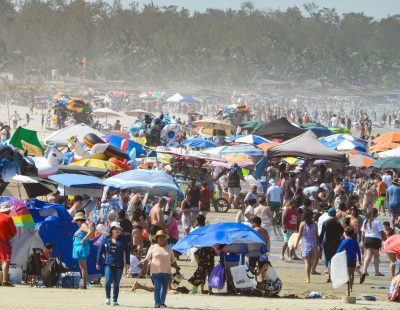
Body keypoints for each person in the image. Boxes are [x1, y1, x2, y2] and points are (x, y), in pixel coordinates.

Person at [140, 230, 180, 308]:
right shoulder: (152, 247)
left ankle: (162, 302)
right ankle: (157, 303)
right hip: (155, 271)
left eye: (163, 237)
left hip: (166, 272)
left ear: (165, 238)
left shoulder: (169, 248)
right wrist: (144, 270)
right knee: (157, 287)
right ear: (157, 238)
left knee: (164, 288)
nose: (161, 239)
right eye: (160, 237)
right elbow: (146, 259)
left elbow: (173, 260)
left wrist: (177, 268)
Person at [97, 221, 130, 306]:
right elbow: (100, 251)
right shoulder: (106, 239)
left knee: (116, 283)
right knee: (108, 281)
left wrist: (128, 262)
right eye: (115, 228)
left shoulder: (123, 239)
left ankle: (115, 300)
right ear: (111, 230)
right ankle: (108, 298)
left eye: (119, 229)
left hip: (120, 265)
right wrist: (97, 262)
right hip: (108, 264)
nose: (117, 230)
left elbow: (127, 251)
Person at [360, 208, 387, 283]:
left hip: (367, 239)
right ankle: (377, 272)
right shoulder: (377, 221)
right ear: (375, 214)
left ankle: (364, 270)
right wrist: (385, 237)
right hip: (375, 239)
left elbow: (362, 233)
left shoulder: (366, 221)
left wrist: (362, 241)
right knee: (376, 255)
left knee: (368, 255)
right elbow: (381, 231)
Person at [319, 208, 344, 283]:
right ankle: (335, 276)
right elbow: (342, 233)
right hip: (337, 242)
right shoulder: (339, 222)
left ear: (329, 214)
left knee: (328, 259)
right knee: (336, 260)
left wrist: (319, 244)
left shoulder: (326, 222)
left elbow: (322, 234)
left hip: (327, 243)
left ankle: (329, 276)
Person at [295, 209, 319, 283]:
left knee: (307, 263)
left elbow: (299, 235)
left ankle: (307, 278)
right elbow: (317, 236)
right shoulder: (315, 224)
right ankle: (308, 277)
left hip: (305, 245)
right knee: (310, 262)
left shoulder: (302, 224)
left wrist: (296, 244)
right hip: (313, 245)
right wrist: (319, 245)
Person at [336, 228, 362, 295]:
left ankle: (348, 288)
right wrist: (359, 260)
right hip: (353, 259)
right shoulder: (355, 242)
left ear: (345, 233)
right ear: (353, 234)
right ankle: (350, 288)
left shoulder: (344, 241)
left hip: (346, 259)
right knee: (352, 274)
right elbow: (358, 252)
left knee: (347, 274)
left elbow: (338, 251)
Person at [72, 212, 93, 289]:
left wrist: (84, 239)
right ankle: (83, 284)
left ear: (78, 220)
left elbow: (90, 231)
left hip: (82, 248)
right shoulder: (82, 225)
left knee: (83, 267)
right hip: (80, 248)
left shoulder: (83, 225)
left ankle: (84, 285)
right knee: (82, 267)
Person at [0, 202, 17, 286]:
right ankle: (5, 281)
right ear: (8, 210)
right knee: (5, 260)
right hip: (3, 241)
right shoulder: (8, 218)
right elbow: (14, 232)